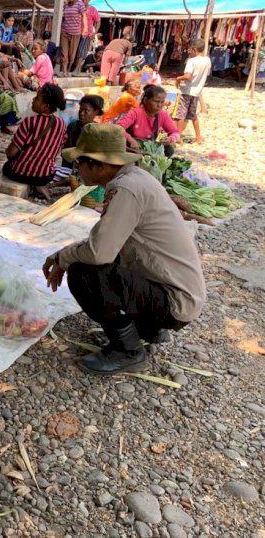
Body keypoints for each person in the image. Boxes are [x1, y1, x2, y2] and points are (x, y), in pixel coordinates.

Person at [43, 123, 205, 375]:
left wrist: (63, 258)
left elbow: (99, 253)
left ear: (100, 165)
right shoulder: (134, 179)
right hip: (178, 292)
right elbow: (106, 242)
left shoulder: (127, 188)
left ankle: (128, 351)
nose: (77, 170)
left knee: (83, 272)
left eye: (80, 164)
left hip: (175, 300)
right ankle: (149, 328)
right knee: (101, 260)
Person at [2, 83, 68, 201]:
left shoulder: (29, 122)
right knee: (43, 169)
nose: (33, 99)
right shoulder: (62, 124)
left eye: (37, 98)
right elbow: (58, 148)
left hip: (20, 173)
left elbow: (11, 153)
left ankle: (34, 183)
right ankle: (39, 186)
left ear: (46, 107)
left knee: (6, 167)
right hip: (46, 176)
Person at [116, 84, 180, 156]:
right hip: (135, 146)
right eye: (156, 101)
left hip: (152, 145)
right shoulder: (136, 113)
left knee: (169, 150)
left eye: (162, 102)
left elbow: (175, 133)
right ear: (146, 100)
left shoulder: (163, 114)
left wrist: (170, 139)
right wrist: (130, 140)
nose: (159, 105)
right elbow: (118, 128)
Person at [174, 38, 212, 144]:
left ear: (194, 49)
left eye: (191, 50)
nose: (190, 52)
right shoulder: (207, 60)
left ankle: (178, 137)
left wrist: (178, 78)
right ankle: (198, 137)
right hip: (197, 92)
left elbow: (188, 76)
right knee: (193, 115)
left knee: (180, 115)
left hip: (186, 90)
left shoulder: (192, 61)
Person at [60, 0, 87, 75]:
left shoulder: (80, 4)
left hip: (75, 34)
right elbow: (63, 18)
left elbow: (84, 17)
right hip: (65, 32)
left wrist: (85, 29)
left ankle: (68, 70)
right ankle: (64, 71)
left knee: (72, 55)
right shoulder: (65, 5)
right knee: (64, 53)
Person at [74, 0, 100, 72]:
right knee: (74, 51)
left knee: (81, 52)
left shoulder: (93, 10)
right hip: (76, 32)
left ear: (89, 0)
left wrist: (94, 33)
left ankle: (77, 69)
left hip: (87, 34)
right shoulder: (78, 8)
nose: (84, 1)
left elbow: (98, 21)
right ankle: (73, 68)